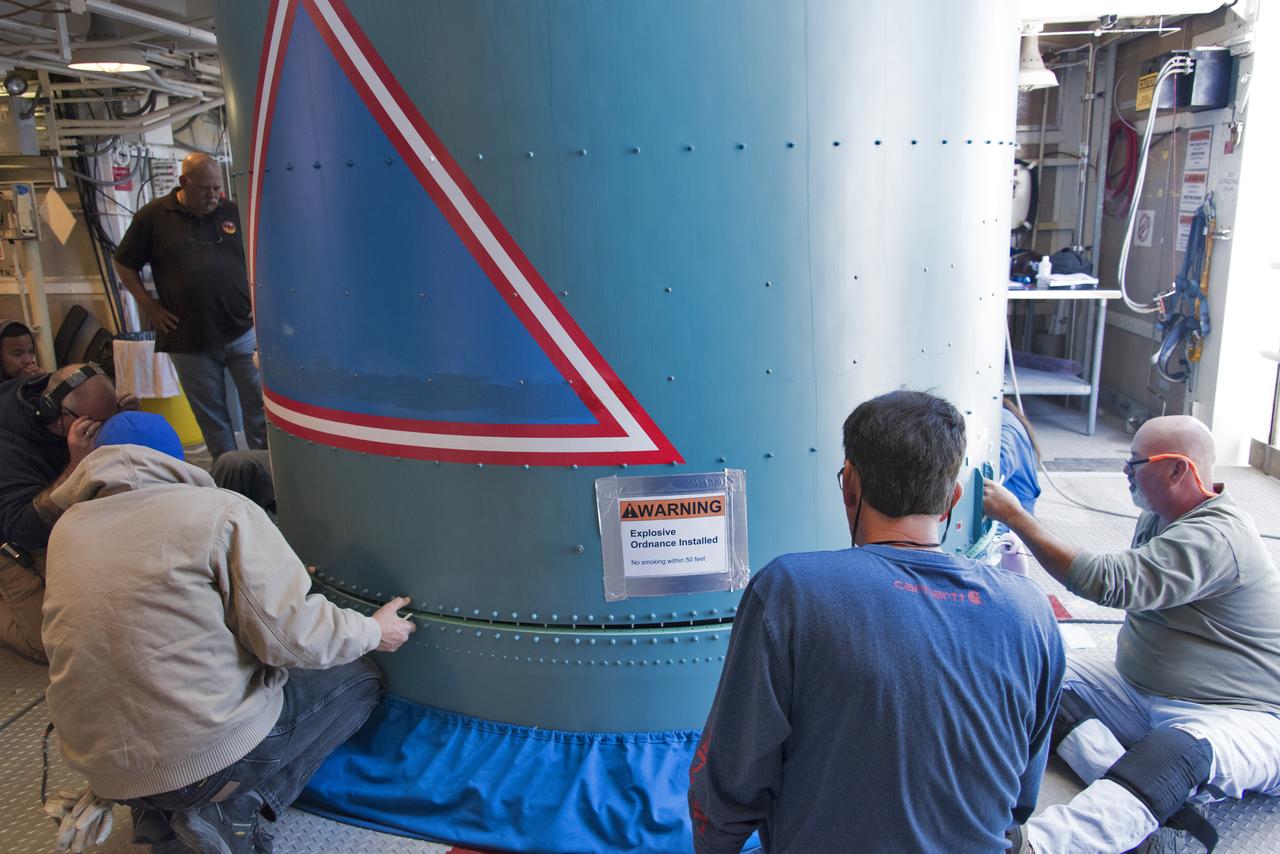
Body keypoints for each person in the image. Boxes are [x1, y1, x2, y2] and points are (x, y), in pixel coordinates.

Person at [689, 390, 1064, 853]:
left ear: (850, 483)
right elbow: (1019, 798)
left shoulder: (791, 590)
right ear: (953, 498)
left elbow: (731, 778)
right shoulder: (1030, 611)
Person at [40, 411, 417, 853]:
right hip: (201, 763)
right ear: (176, 460)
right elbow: (296, 639)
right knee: (358, 679)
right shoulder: (220, 513)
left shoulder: (68, 529)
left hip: (105, 769)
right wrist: (374, 629)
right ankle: (234, 807)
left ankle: (159, 818)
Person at [986, 415, 1280, 853]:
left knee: (1174, 751)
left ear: (1178, 469)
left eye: (1135, 462)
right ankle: (1158, 802)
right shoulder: (1161, 517)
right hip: (1142, 691)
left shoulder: (1217, 536)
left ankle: (1039, 846)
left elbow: (1108, 581)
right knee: (1036, 674)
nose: (1125, 471)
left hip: (1239, 714)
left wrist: (1017, 518)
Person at [113, 152, 266, 460]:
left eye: (216, 188)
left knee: (259, 409)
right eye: (205, 188)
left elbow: (259, 255)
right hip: (189, 339)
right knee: (213, 419)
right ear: (183, 182)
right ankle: (231, 479)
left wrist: (260, 300)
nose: (213, 196)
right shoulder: (154, 216)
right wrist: (148, 306)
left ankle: (267, 473)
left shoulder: (232, 212)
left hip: (241, 330)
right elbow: (123, 262)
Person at [0, 363, 136, 662]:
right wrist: (76, 466)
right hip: (13, 537)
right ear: (57, 415)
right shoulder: (9, 447)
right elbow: (23, 529)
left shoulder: (58, 395)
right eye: (96, 424)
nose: (103, 431)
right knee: (50, 643)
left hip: (66, 522)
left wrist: (130, 421)